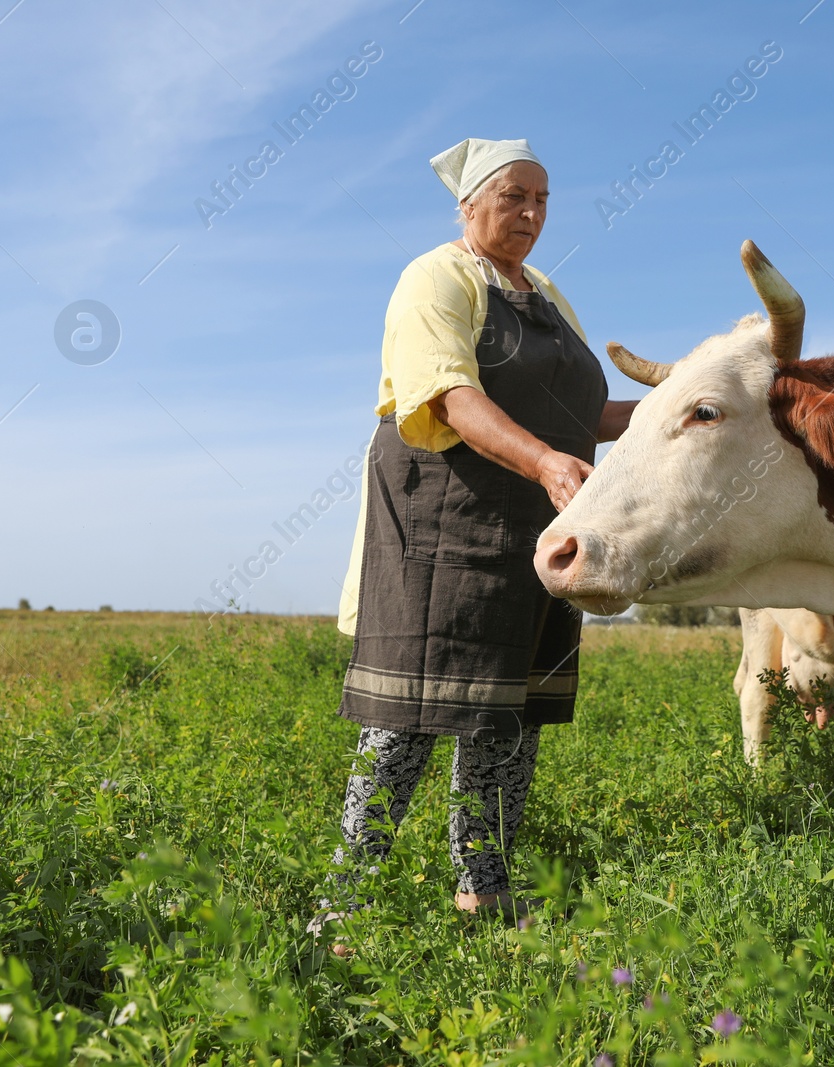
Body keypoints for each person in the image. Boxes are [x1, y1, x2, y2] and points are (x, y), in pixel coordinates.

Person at [319, 138, 635, 928]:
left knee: (508, 721)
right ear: (468, 207)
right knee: (408, 722)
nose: (530, 213)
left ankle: (483, 896)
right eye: (512, 197)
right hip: (441, 521)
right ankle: (344, 911)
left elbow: (587, 415)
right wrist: (550, 465)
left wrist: (692, 406)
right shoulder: (436, 277)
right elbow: (451, 396)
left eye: (542, 199)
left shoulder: (550, 294)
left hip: (531, 524)